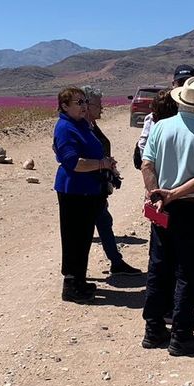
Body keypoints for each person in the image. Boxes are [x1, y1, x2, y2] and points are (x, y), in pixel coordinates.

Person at [140, 75, 194, 355]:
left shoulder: (160, 127)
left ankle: (153, 328)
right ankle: (182, 333)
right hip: (191, 209)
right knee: (187, 271)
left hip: (162, 207)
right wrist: (172, 194)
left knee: (159, 266)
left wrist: (156, 195)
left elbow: (146, 164)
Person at [52, 87, 116, 303]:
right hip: (73, 190)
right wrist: (101, 164)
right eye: (78, 102)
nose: (83, 106)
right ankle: (70, 285)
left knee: (84, 236)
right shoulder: (65, 128)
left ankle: (79, 279)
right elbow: (73, 162)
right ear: (64, 106)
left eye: (84, 101)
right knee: (73, 238)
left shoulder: (81, 124)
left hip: (88, 190)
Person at [82, 85, 142, 276]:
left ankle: (115, 262)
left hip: (97, 186)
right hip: (88, 188)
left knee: (104, 222)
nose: (102, 108)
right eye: (98, 104)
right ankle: (77, 274)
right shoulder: (81, 128)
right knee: (92, 226)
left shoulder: (91, 125)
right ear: (87, 105)